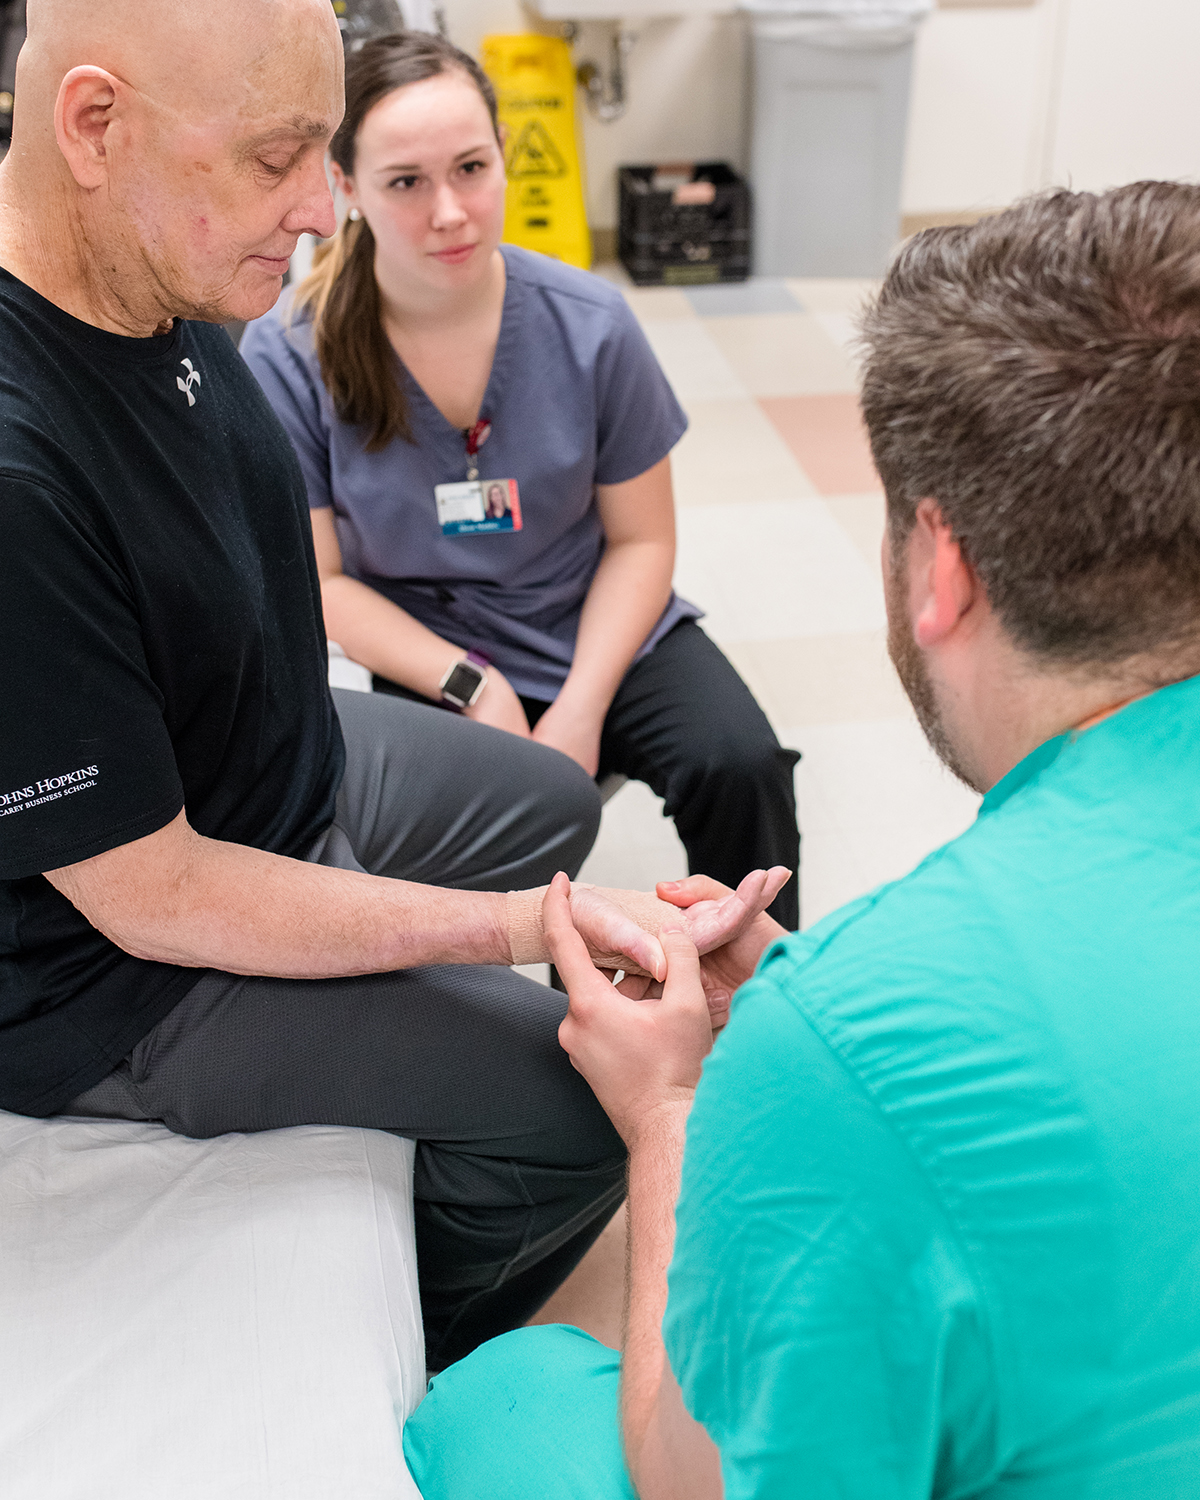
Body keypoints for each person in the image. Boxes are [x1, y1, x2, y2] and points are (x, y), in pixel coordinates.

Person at [0, 0, 786, 1376]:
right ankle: (395, 1343)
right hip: (124, 963)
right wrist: (524, 934)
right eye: (275, 159)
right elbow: (158, 894)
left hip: (275, 770)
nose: (324, 208)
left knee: (549, 800)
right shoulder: (19, 475)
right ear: (93, 125)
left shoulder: (162, 280)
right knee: (585, 1092)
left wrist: (527, 888)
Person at [402, 182, 1200, 1494]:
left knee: (505, 1404)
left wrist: (668, 1109)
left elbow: (690, 1473)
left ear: (937, 568)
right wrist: (798, 989)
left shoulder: (853, 1048)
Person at [240, 31, 801, 930]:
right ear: (344, 189)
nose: (451, 212)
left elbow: (643, 540)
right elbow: (322, 581)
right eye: (406, 183)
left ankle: (766, 1011)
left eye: (471, 167)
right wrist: (474, 686)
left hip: (589, 615)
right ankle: (536, 1044)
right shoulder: (290, 356)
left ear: (505, 157)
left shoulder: (593, 327)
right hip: (428, 643)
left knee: (741, 765)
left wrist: (581, 705)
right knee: (462, 867)